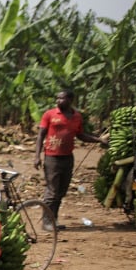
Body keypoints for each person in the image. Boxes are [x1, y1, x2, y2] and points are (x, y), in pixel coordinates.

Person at [34, 88, 108, 231]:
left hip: (67, 158)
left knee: (61, 191)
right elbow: (40, 135)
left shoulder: (77, 117)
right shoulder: (50, 114)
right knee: (52, 191)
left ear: (70, 100)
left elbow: (80, 135)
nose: (59, 101)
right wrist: (37, 156)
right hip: (52, 157)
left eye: (62, 98)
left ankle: (53, 219)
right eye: (58, 98)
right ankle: (46, 221)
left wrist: (98, 140)